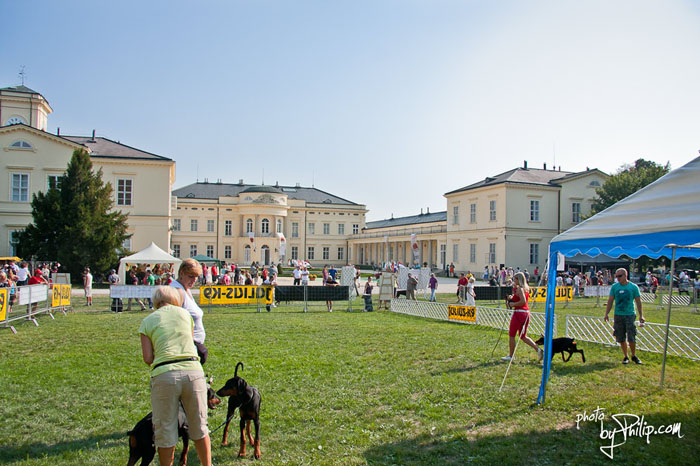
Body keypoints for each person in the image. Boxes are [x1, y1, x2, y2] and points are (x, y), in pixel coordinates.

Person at [138, 286, 211, 466]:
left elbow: (148, 358)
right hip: (193, 372)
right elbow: (190, 341)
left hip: (164, 375)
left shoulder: (147, 321)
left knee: (165, 431)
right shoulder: (185, 315)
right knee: (200, 427)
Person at [170, 259, 208, 364]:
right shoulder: (176, 292)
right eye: (191, 276)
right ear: (181, 273)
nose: (194, 280)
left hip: (193, 345)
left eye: (196, 277)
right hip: (185, 347)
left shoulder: (186, 289)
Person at [605, 268, 644, 364]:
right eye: (616, 276)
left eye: (619, 276)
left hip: (630, 314)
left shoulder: (633, 287)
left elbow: (638, 302)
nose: (617, 278)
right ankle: (625, 356)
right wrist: (606, 313)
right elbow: (610, 301)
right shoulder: (615, 287)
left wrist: (641, 315)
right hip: (618, 314)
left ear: (625, 275)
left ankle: (633, 355)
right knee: (620, 336)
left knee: (631, 336)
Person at [502, 272, 542, 362]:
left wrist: (513, 304)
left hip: (519, 313)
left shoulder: (519, 289)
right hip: (526, 313)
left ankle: (511, 355)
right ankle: (538, 349)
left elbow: (522, 301)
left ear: (518, 279)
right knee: (523, 336)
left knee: (512, 334)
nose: (513, 280)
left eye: (514, 279)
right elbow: (521, 299)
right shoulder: (525, 289)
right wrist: (512, 297)